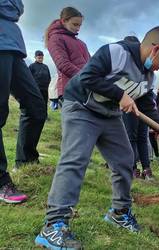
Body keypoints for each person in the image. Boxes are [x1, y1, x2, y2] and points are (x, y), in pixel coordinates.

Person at [35, 26, 159, 249]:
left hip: (109, 114)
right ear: (155, 49)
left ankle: (119, 213)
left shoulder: (148, 77)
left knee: (124, 160)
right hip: (81, 106)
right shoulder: (116, 53)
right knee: (75, 160)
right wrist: (120, 94)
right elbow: (87, 77)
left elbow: (148, 109)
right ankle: (53, 225)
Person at [0, 0, 46, 203]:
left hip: (13, 46)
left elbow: (16, 9)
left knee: (36, 107)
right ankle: (1, 181)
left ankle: (24, 161)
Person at [45, 6, 90, 106]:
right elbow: (63, 64)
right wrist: (88, 78)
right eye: (75, 24)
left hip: (86, 88)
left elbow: (92, 64)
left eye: (80, 25)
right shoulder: (55, 38)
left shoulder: (81, 43)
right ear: (64, 21)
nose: (78, 28)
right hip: (70, 89)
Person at [29, 50, 51, 118]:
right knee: (36, 102)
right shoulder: (32, 66)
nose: (40, 59)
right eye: (39, 57)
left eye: (41, 57)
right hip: (35, 89)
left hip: (44, 88)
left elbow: (49, 77)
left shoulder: (45, 67)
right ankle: (35, 116)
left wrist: (47, 84)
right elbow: (28, 77)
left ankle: (45, 116)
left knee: (44, 103)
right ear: (35, 57)